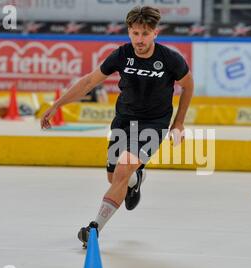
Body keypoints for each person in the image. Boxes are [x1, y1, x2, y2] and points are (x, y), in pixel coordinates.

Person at [41, 5, 194, 248]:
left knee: (123, 169)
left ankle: (93, 230)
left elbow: (188, 85)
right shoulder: (121, 55)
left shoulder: (170, 59)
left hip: (154, 124)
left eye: (145, 34)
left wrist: (179, 123)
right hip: (123, 121)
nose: (139, 39)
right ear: (129, 32)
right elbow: (89, 82)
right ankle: (136, 180)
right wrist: (56, 105)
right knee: (115, 177)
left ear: (155, 33)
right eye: (135, 33)